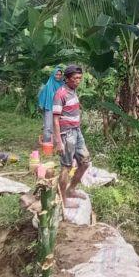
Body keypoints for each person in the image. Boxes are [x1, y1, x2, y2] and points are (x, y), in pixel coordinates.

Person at [52, 65, 91, 206]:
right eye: (75, 78)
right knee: (66, 166)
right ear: (67, 79)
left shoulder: (73, 91)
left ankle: (71, 189)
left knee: (85, 162)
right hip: (66, 134)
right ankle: (63, 200)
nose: (78, 81)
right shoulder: (60, 94)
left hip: (76, 131)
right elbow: (55, 119)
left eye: (80, 78)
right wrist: (59, 142)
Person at [37, 66, 64, 145]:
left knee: (59, 126)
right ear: (53, 75)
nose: (58, 76)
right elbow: (42, 95)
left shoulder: (62, 85)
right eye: (57, 74)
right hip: (49, 107)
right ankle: (47, 143)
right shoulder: (48, 85)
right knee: (48, 126)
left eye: (60, 75)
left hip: (60, 108)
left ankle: (58, 144)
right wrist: (42, 104)